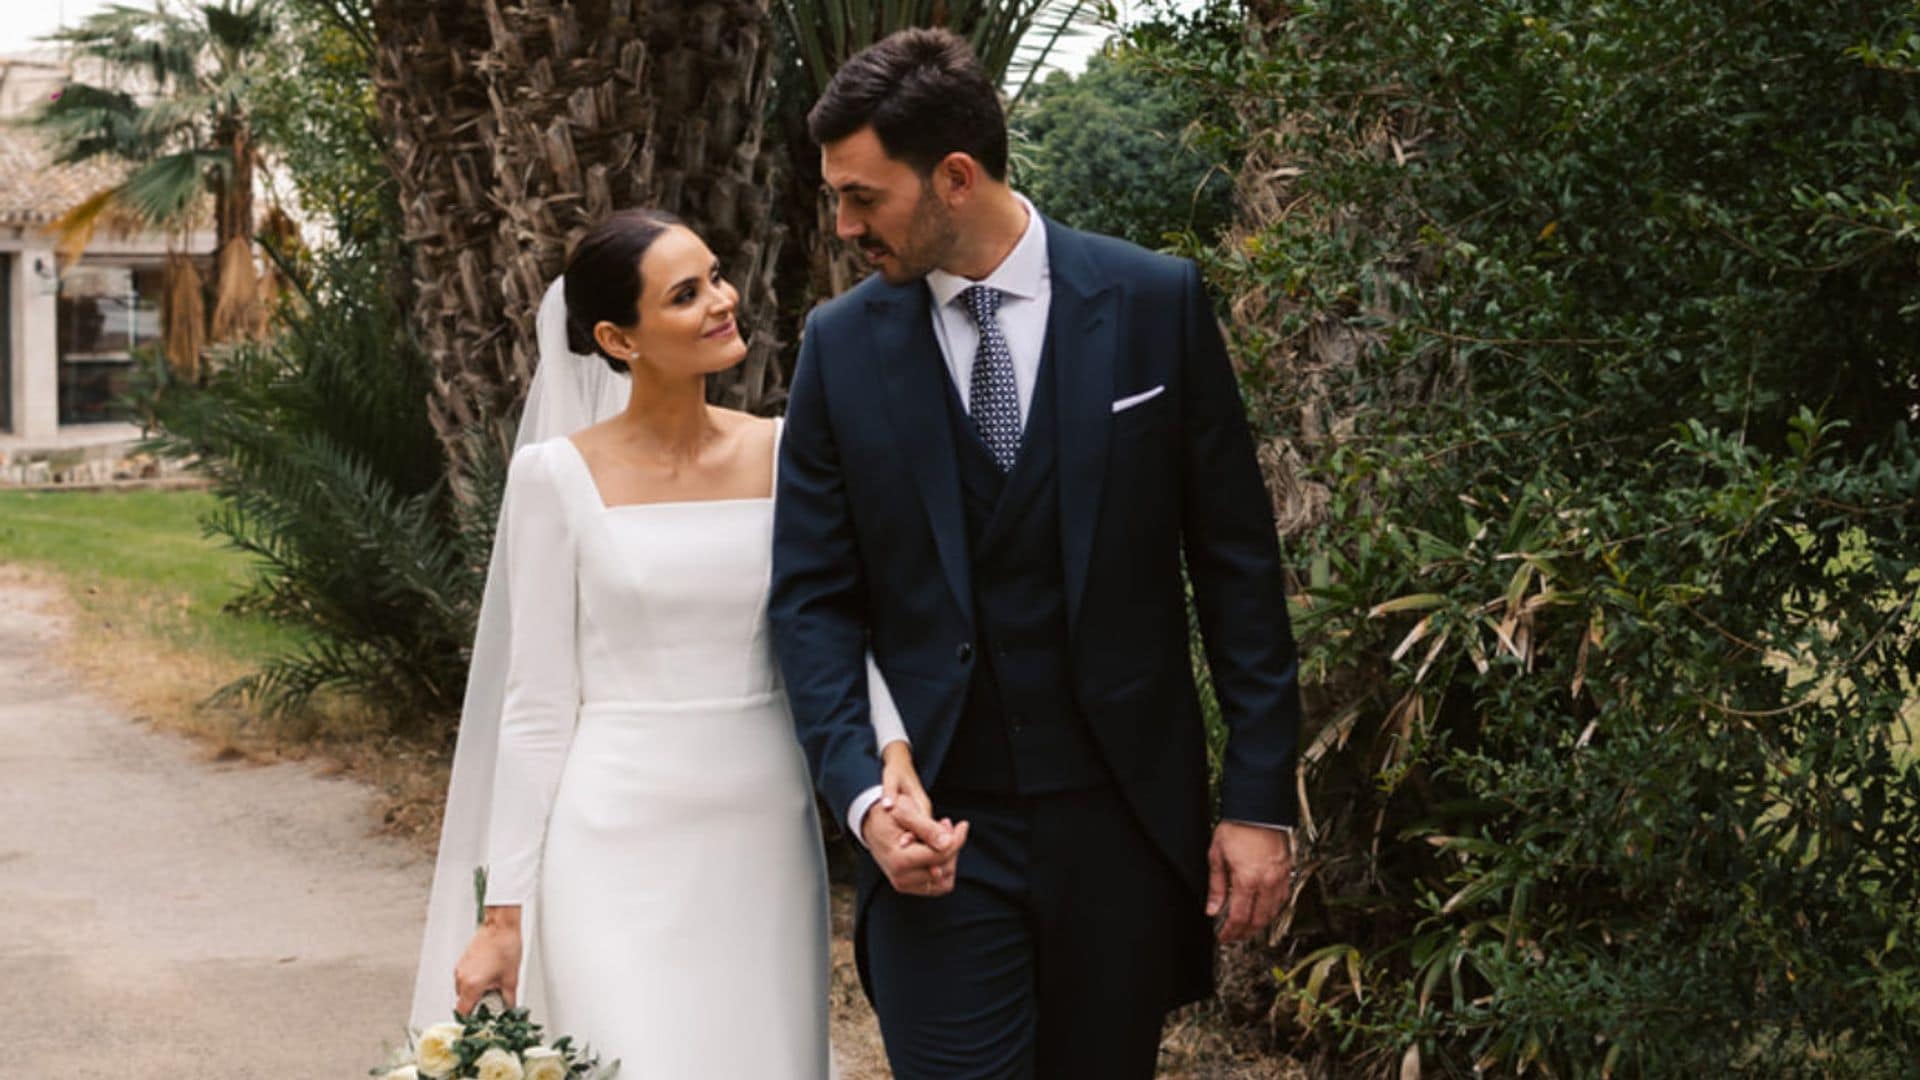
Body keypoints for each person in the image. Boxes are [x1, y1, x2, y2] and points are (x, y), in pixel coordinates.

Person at [769, 28, 1304, 1079]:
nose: (842, 227)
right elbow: (812, 604)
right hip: (939, 839)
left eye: (863, 197)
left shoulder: (1154, 303)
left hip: (1119, 823)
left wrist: (1255, 798)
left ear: (955, 177)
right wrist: (865, 798)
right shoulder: (839, 349)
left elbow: (1236, 566)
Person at [408, 209, 914, 1077]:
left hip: (762, 832)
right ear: (617, 337)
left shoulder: (792, 453)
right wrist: (504, 916)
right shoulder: (554, 478)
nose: (725, 301)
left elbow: (837, 624)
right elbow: (534, 706)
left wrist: (893, 746)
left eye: (717, 275)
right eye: (687, 294)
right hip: (612, 836)